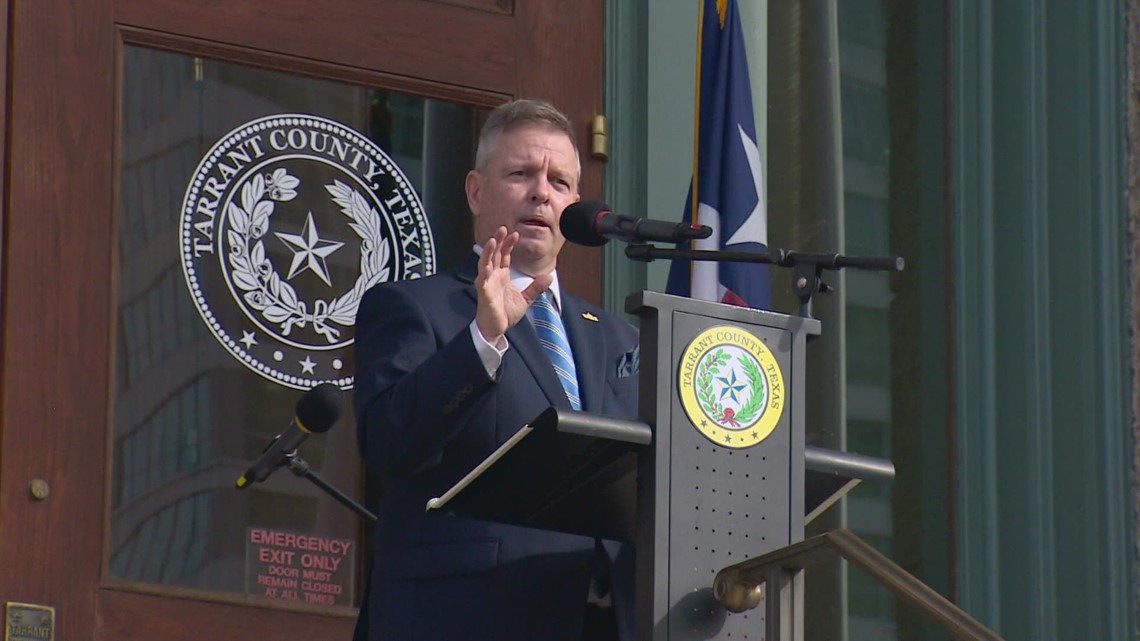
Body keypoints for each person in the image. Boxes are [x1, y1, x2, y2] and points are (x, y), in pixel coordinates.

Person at [354, 99, 640, 641]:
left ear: (576, 206)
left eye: (559, 181)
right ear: (476, 191)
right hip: (468, 615)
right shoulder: (413, 308)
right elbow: (389, 441)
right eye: (521, 174)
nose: (541, 192)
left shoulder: (619, 337)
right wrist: (483, 338)